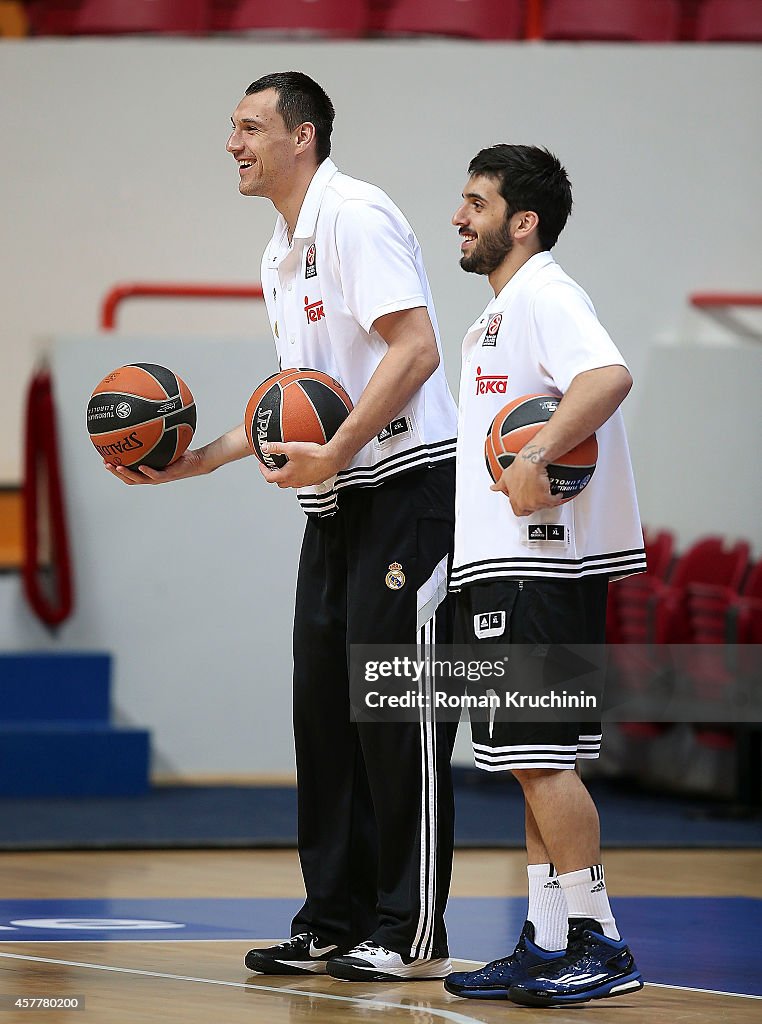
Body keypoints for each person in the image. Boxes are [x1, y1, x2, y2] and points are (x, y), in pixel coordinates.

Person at [105, 72, 458, 983]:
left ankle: (407, 927)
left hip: (409, 490)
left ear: (302, 137)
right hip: (337, 500)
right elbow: (290, 411)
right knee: (323, 718)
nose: (233, 142)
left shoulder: (355, 216)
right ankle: (334, 919)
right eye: (231, 127)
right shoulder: (279, 253)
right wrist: (201, 458)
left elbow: (416, 348)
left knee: (396, 714)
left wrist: (337, 450)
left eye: (250, 126)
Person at [443, 145, 647, 1007]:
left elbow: (607, 377)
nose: (458, 216)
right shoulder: (495, 314)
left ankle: (600, 940)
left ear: (521, 221)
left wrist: (535, 450)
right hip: (513, 566)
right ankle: (549, 935)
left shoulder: (546, 293)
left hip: (542, 564)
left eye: (475, 203)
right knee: (537, 759)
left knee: (542, 762)